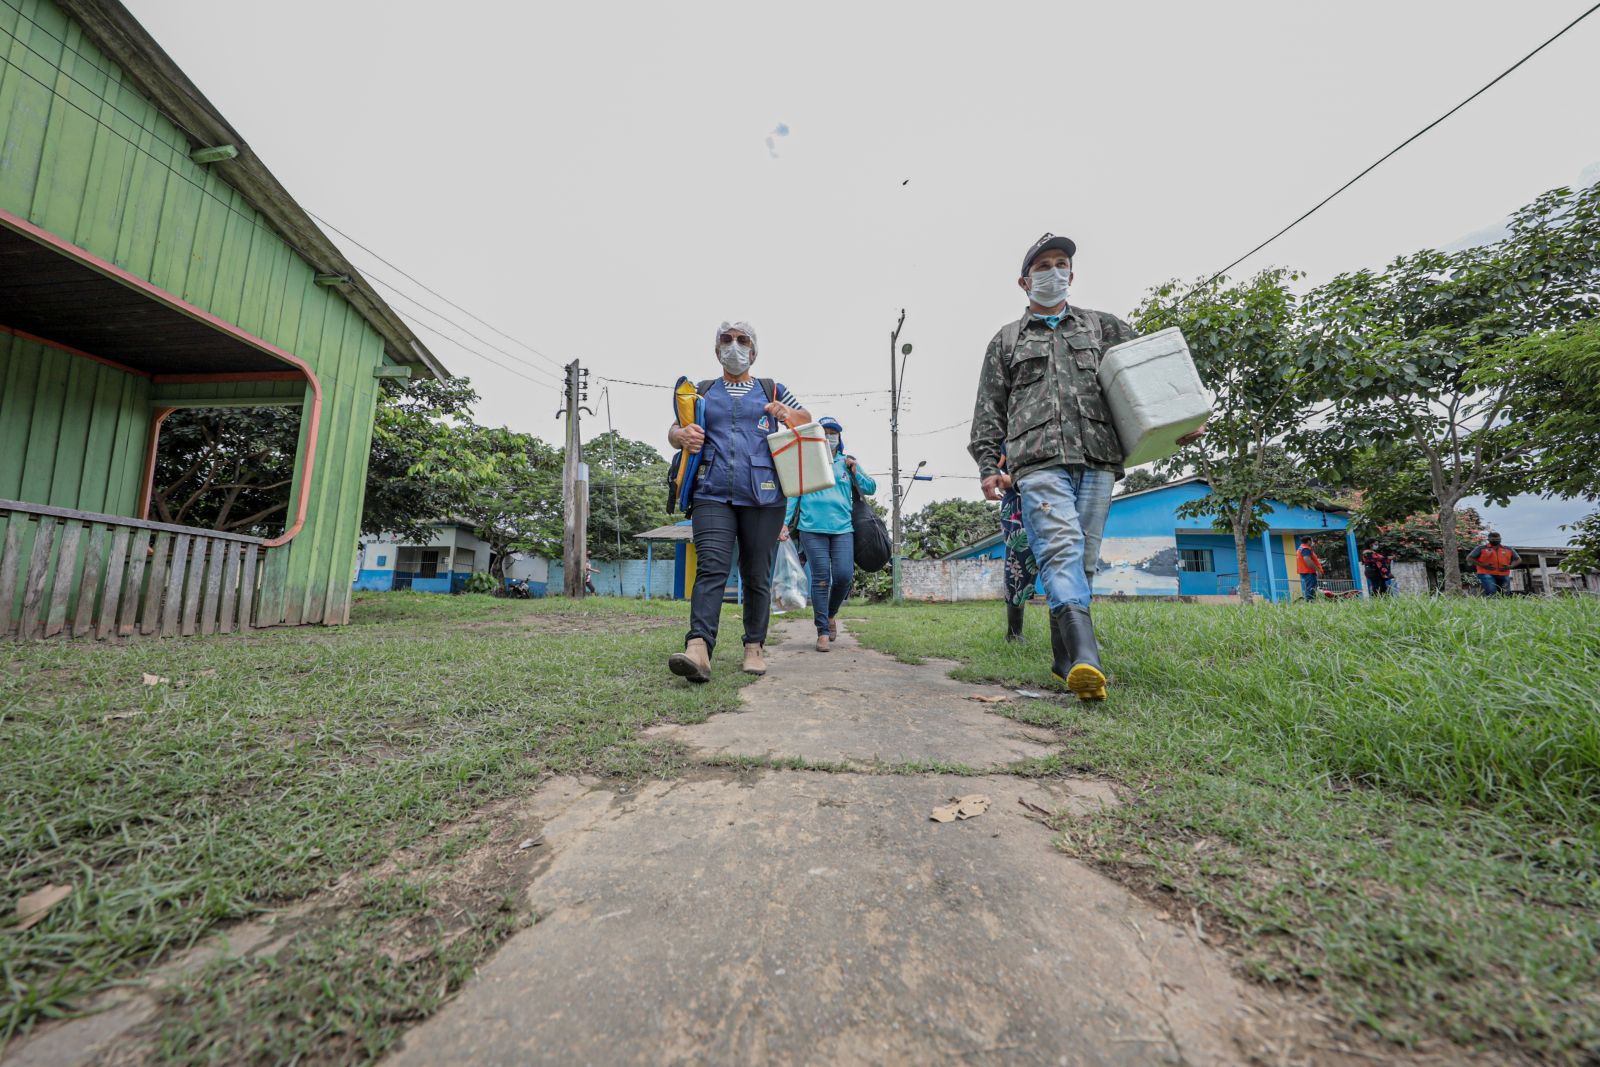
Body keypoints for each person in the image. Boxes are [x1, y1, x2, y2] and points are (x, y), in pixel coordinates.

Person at [970, 232, 1203, 701]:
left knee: (1083, 560)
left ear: (1072, 275)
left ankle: (1065, 661)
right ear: (1024, 281)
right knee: (1060, 549)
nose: (1053, 272)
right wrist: (986, 464)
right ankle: (1086, 657)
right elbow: (989, 407)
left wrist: (1179, 418)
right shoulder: (1008, 339)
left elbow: (1149, 376)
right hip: (1035, 460)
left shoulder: (1103, 328)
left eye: (1061, 264)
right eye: (1043, 266)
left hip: (1098, 457)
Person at [665, 321, 810, 682]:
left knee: (756, 573)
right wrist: (682, 435)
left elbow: (808, 421)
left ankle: (754, 646)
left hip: (764, 494)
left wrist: (785, 414)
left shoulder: (771, 389)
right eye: (726, 340)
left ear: (754, 351)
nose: (734, 346)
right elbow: (673, 431)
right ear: (716, 351)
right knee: (711, 567)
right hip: (711, 490)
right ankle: (698, 648)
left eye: (742, 340)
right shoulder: (701, 391)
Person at [778, 417, 876, 651]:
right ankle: (822, 631)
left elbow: (871, 487)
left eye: (835, 432)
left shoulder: (847, 462)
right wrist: (783, 523)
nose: (831, 436)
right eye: (826, 432)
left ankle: (831, 614)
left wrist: (855, 471)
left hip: (843, 529)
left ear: (839, 438)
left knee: (843, 575)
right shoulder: (806, 461)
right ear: (817, 437)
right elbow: (794, 494)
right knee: (821, 579)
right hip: (811, 528)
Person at [996, 451, 1038, 643]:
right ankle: (1014, 632)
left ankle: (1073, 635)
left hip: (1060, 497)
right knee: (1018, 566)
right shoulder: (1008, 433)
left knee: (1065, 562)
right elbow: (993, 470)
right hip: (1019, 502)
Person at [1467, 532, 1520, 597]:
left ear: (1500, 539)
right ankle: (1490, 605)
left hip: (1503, 573)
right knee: (1491, 592)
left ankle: (1504, 606)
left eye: (1498, 539)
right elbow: (1469, 558)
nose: (1496, 541)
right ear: (1488, 539)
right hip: (1486, 573)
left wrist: (1511, 566)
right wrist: (1483, 565)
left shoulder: (1508, 549)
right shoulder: (1481, 548)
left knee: (1506, 593)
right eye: (1493, 539)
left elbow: (1518, 559)